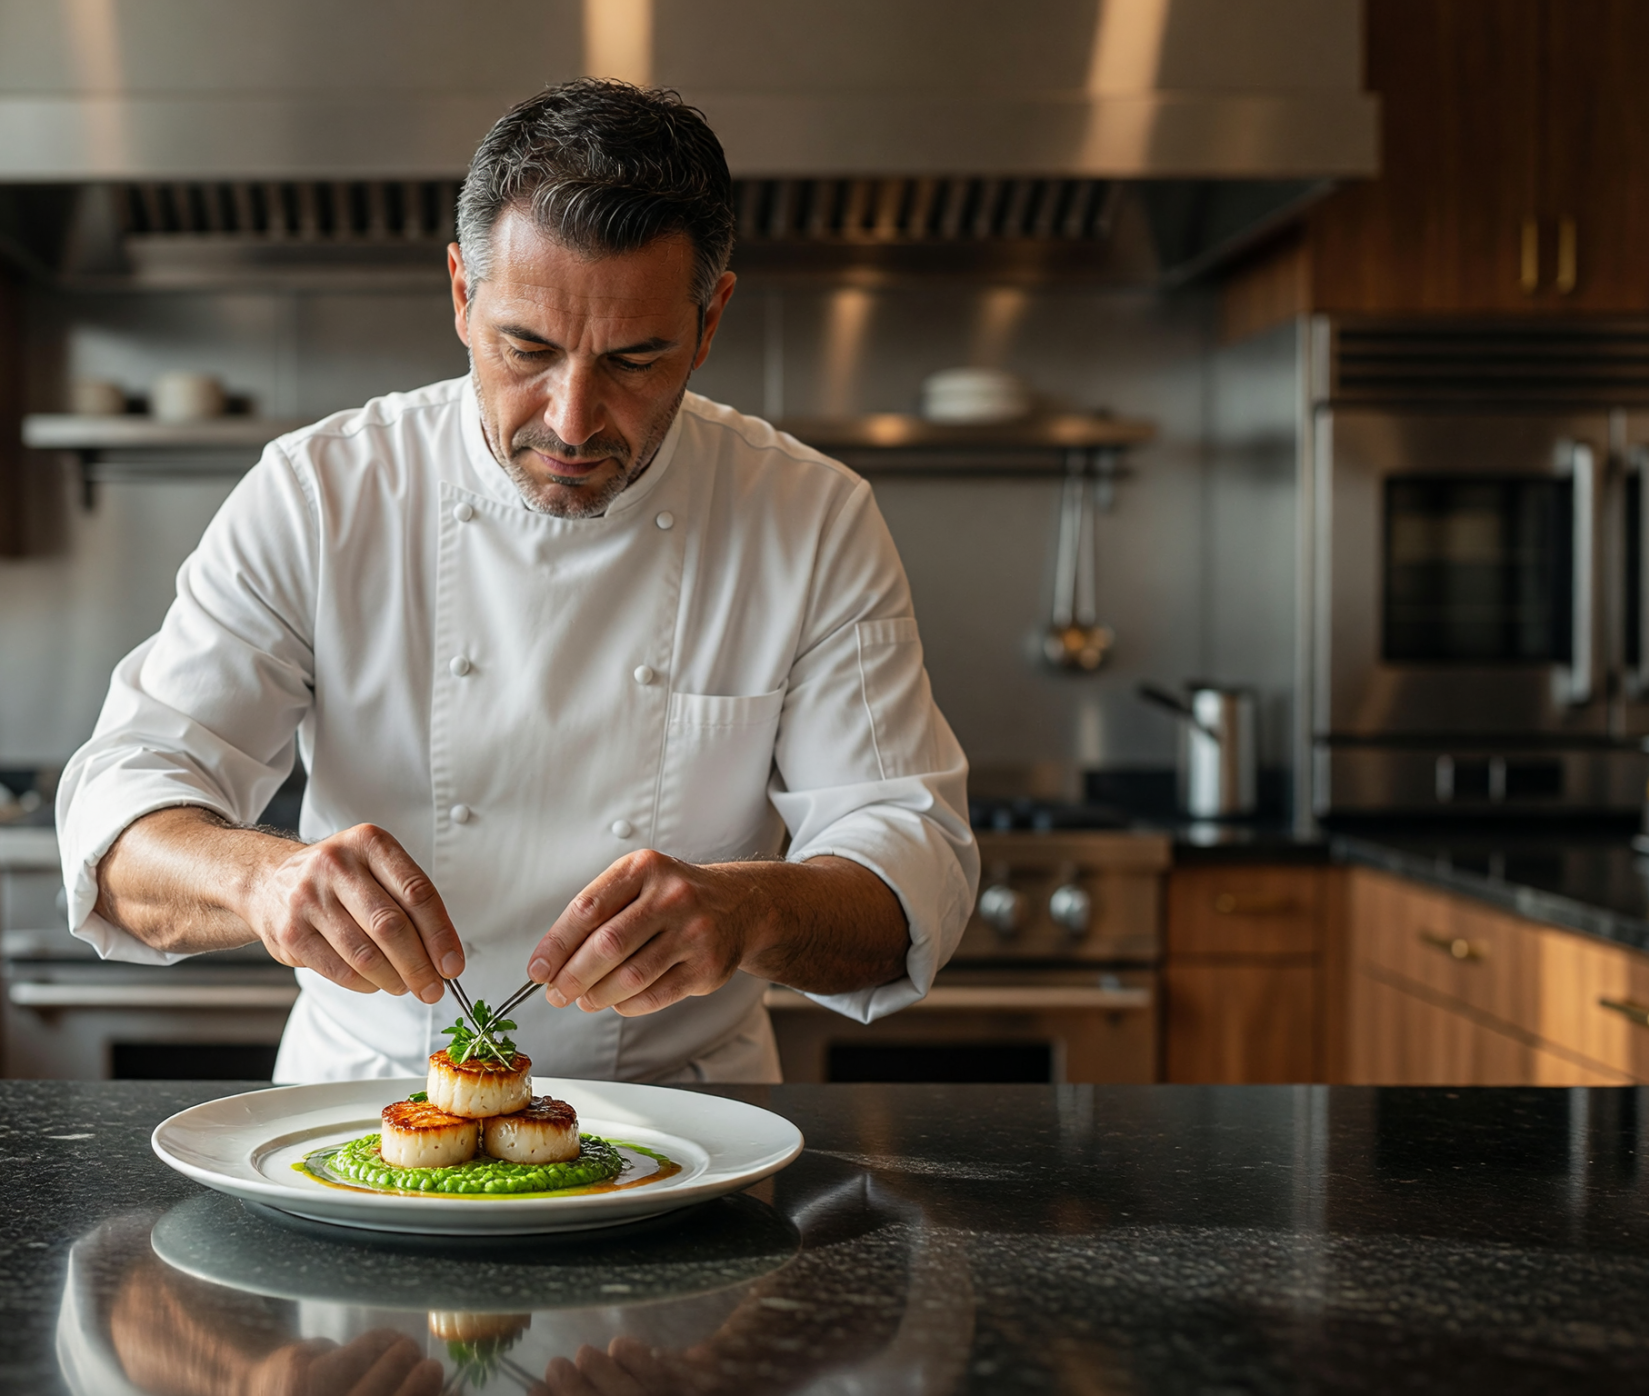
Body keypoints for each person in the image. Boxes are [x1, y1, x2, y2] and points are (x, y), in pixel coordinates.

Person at [56, 79, 975, 1084]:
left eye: (635, 358)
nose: (573, 420)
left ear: (709, 322)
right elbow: (120, 817)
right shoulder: (321, 493)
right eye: (527, 349)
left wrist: (748, 909)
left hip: (683, 1127)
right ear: (460, 293)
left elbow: (909, 871)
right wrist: (262, 878)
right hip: (366, 1113)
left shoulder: (808, 517)